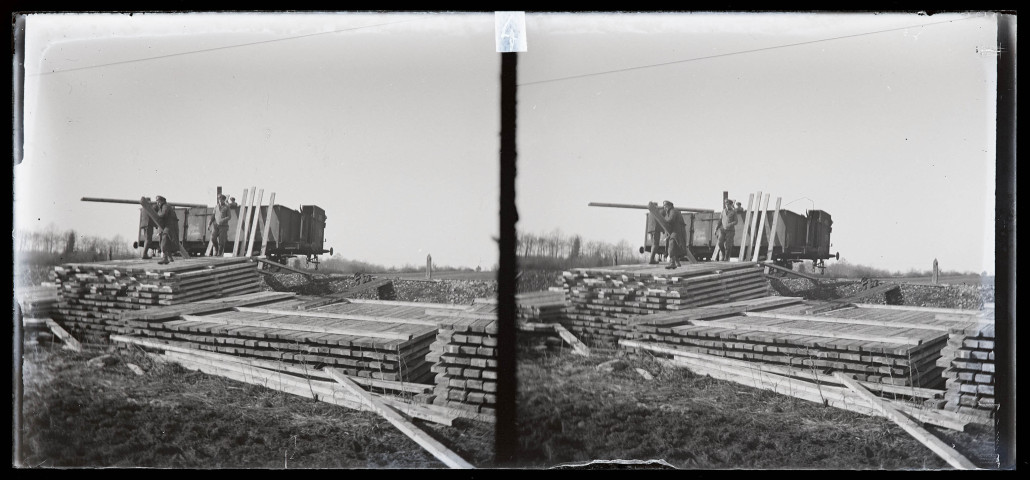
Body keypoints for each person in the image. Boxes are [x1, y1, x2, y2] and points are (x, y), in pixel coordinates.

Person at [154, 195, 180, 264]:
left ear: (162, 201)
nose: (157, 203)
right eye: (156, 201)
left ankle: (165, 258)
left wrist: (156, 216)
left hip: (170, 225)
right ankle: (170, 257)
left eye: (158, 201)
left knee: (164, 239)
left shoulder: (165, 206)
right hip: (169, 225)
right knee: (167, 241)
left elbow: (164, 214)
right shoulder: (162, 207)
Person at [661, 200, 686, 269]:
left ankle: (672, 263)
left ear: (669, 206)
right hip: (674, 232)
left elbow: (671, 220)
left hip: (677, 231)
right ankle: (677, 262)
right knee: (674, 248)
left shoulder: (673, 211)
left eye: (665, 206)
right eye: (664, 206)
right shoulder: (668, 213)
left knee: (671, 245)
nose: (664, 208)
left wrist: (663, 221)